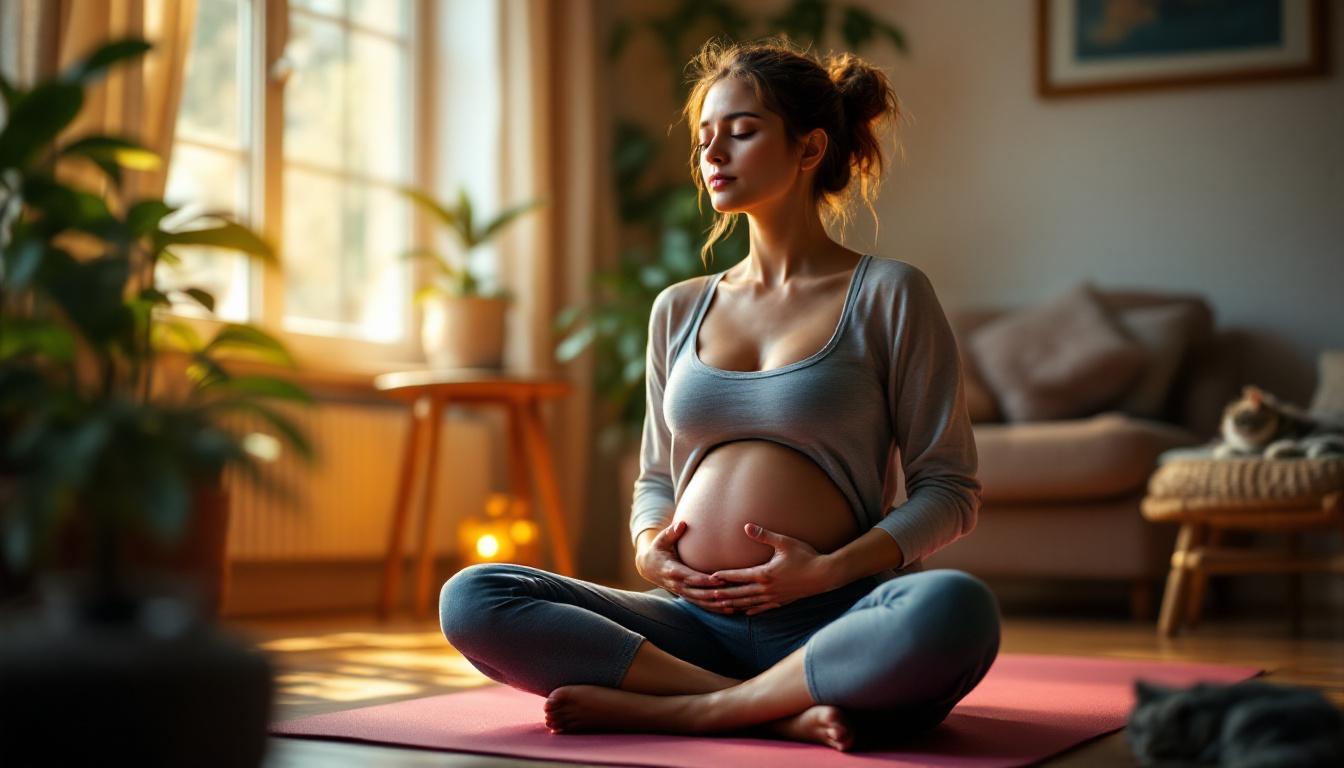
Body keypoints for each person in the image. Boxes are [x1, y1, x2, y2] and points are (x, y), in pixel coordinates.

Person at [439, 38, 1000, 752]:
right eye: (706, 138)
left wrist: (830, 570)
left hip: (833, 620)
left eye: (740, 131)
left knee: (955, 607)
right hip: (689, 628)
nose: (714, 153)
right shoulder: (679, 307)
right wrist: (650, 551)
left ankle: (680, 710)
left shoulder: (889, 294)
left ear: (808, 149)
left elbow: (949, 488)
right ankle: (761, 707)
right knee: (475, 596)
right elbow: (656, 478)